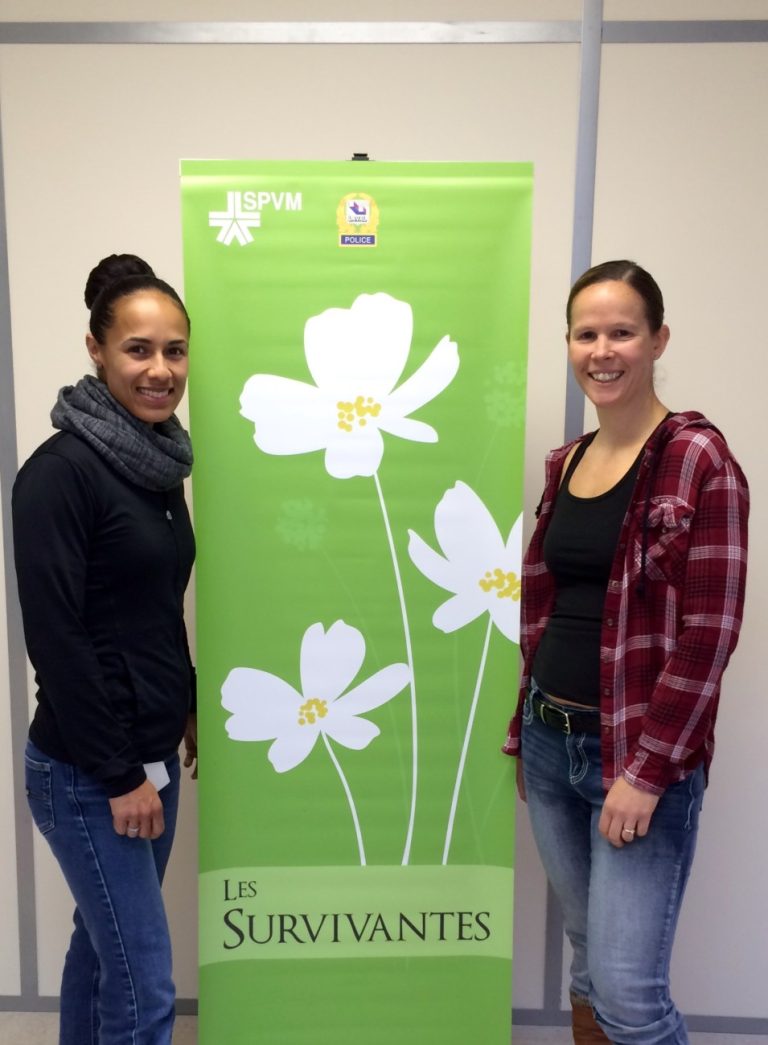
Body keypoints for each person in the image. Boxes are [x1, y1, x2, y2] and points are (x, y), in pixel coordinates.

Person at [503, 260, 748, 1044]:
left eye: (622, 332)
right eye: (586, 334)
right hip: (551, 742)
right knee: (588, 965)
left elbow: (710, 634)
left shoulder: (698, 458)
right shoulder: (567, 460)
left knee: (631, 997)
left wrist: (645, 772)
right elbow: (545, 608)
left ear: (657, 339)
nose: (601, 350)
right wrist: (523, 732)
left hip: (639, 758)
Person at [13, 254, 197, 1045]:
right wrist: (121, 775)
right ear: (96, 348)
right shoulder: (60, 474)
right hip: (91, 771)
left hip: (148, 752)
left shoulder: (155, 466)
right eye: (138, 349)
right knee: (142, 985)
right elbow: (57, 640)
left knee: (102, 953)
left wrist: (185, 699)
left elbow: (152, 606)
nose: (161, 370)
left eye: (175, 351)